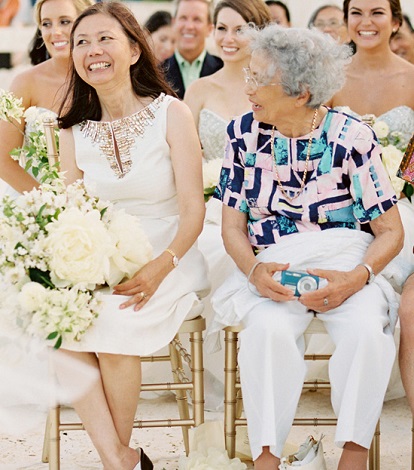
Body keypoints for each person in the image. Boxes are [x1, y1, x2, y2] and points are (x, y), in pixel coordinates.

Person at [208, 24, 404, 470]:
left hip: (348, 265)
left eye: (259, 79)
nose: (248, 87)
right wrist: (254, 272)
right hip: (273, 268)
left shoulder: (352, 137)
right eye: (249, 75)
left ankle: (352, 454)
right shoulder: (242, 134)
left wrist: (357, 279)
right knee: (266, 333)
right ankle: (267, 455)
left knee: (365, 334)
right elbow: (232, 227)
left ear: (301, 94)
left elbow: (391, 231)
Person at [57, 2, 209, 468]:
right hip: (100, 257)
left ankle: (116, 460)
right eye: (82, 42)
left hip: (171, 253)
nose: (93, 51)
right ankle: (120, 458)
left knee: (112, 327)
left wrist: (160, 267)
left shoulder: (172, 113)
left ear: (134, 51)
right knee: (56, 327)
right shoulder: (73, 130)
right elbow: (73, 215)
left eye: (105, 39)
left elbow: (193, 211)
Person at [183, 0, 271, 411]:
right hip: (214, 206)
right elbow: (182, 158)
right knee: (208, 253)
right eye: (222, 28)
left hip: (271, 209)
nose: (229, 38)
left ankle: (263, 371)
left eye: (241, 29)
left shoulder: (277, 85)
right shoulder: (200, 90)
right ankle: (220, 375)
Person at [329, 0, 414, 412]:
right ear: (346, 20)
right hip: (340, 206)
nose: (366, 22)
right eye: (356, 12)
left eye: (377, 12)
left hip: (401, 203)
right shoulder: (330, 77)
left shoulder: (412, 78)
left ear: (395, 22)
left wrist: (397, 180)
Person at [0, 0, 93, 196]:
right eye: (46, 24)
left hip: (97, 201)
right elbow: (3, 160)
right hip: (34, 200)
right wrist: (50, 203)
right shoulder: (25, 83)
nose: (55, 32)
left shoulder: (102, 79)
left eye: (65, 21)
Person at [162, 0, 223, 99]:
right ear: (174, 23)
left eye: (197, 19)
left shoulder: (222, 70)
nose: (189, 26)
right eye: (183, 18)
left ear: (210, 28)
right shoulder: (156, 73)